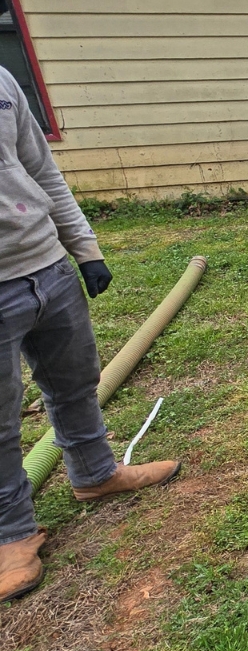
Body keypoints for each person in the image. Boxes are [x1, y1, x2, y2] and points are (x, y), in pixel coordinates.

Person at [0, 65, 180, 604]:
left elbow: (40, 168)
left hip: (46, 264)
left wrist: (84, 247)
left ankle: (95, 473)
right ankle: (11, 535)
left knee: (75, 381)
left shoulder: (3, 81)